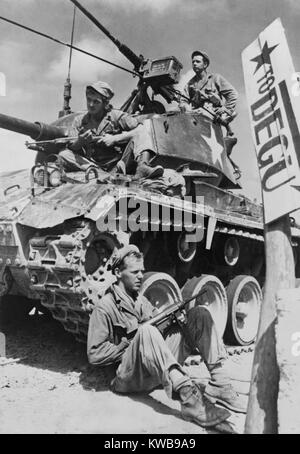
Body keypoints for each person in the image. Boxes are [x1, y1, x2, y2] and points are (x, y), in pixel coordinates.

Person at [87, 245, 247, 428]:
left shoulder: (139, 300)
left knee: (199, 314)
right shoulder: (105, 307)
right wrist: (131, 344)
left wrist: (173, 321)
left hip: (152, 371)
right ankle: (190, 401)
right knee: (146, 331)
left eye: (142, 271)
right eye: (135, 272)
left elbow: (156, 332)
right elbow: (95, 354)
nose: (140, 276)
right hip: (127, 378)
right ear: (118, 272)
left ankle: (220, 384)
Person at [58, 81, 164, 179]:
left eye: (96, 102)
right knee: (64, 154)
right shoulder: (79, 121)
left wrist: (115, 138)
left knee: (142, 133)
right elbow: (71, 146)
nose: (91, 105)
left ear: (105, 103)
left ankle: (142, 168)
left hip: (119, 165)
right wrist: (80, 142)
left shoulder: (115, 116)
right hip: (92, 164)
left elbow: (142, 129)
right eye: (89, 100)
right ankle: (99, 173)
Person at [179, 50, 238, 125]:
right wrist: (187, 108)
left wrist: (226, 109)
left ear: (205, 65)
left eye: (197, 61)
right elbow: (183, 100)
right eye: (193, 62)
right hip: (195, 119)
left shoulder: (215, 78)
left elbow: (233, 94)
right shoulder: (190, 84)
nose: (194, 63)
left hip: (212, 118)